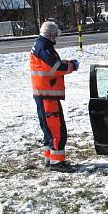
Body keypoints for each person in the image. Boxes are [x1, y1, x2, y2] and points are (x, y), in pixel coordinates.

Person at [29, 21, 79, 172]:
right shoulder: (44, 47)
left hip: (44, 94)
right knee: (56, 130)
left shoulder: (41, 45)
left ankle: (49, 158)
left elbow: (51, 64)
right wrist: (72, 66)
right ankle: (57, 163)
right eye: (55, 34)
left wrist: (67, 62)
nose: (56, 37)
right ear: (50, 34)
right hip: (47, 95)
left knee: (48, 129)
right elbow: (55, 67)